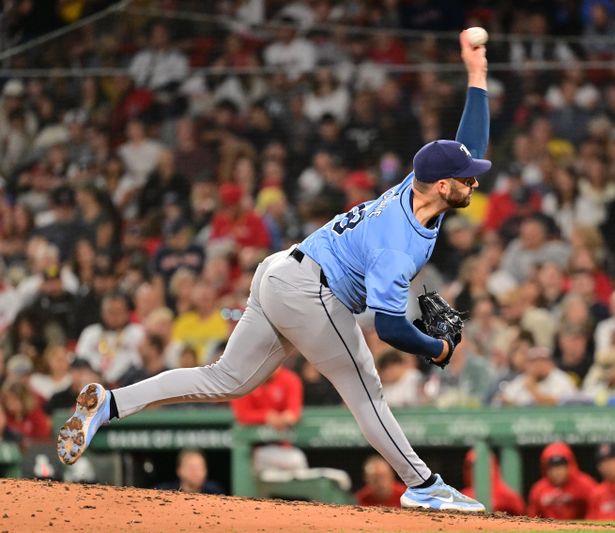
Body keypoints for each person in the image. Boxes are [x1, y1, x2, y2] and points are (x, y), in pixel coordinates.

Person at [57, 30, 491, 513]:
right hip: (311, 292)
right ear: (445, 184)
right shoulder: (397, 246)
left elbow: (465, 147)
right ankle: (423, 483)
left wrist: (477, 73)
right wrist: (436, 348)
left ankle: (111, 402)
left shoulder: (421, 184)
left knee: (226, 380)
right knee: (366, 390)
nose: (476, 181)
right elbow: (389, 328)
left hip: (280, 272)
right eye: (468, 178)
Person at [527, 442, 596, 519]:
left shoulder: (585, 485)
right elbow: (533, 518)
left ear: (569, 465)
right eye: (552, 467)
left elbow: (596, 512)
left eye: (560, 466)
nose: (557, 472)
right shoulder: (538, 489)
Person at [461, 449, 525, 515]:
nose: (470, 471)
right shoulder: (463, 497)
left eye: (476, 467)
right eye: (467, 467)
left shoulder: (508, 496)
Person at [156, 448, 224, 494]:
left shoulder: (214, 492)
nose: (196, 472)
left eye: (200, 468)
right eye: (192, 468)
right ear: (179, 470)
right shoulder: (164, 492)